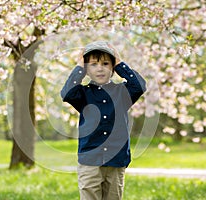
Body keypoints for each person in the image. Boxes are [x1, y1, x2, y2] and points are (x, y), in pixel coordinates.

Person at [60, 41, 146, 200]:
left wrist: (120, 64)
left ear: (113, 68)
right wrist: (79, 67)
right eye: (93, 64)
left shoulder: (122, 93)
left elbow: (139, 85)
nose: (100, 68)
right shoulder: (83, 94)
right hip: (89, 162)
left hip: (116, 160)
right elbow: (67, 93)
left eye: (106, 63)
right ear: (87, 69)